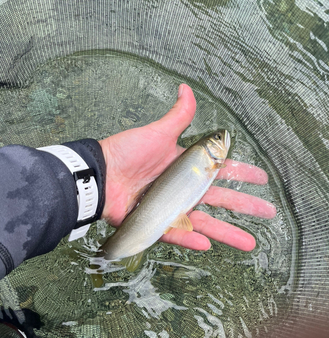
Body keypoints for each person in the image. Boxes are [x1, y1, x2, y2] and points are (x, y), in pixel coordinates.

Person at [0, 84, 276, 278]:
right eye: (216, 140)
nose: (221, 140)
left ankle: (99, 262)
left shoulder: (207, 159)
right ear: (208, 151)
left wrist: (98, 168)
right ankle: (100, 263)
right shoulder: (207, 159)